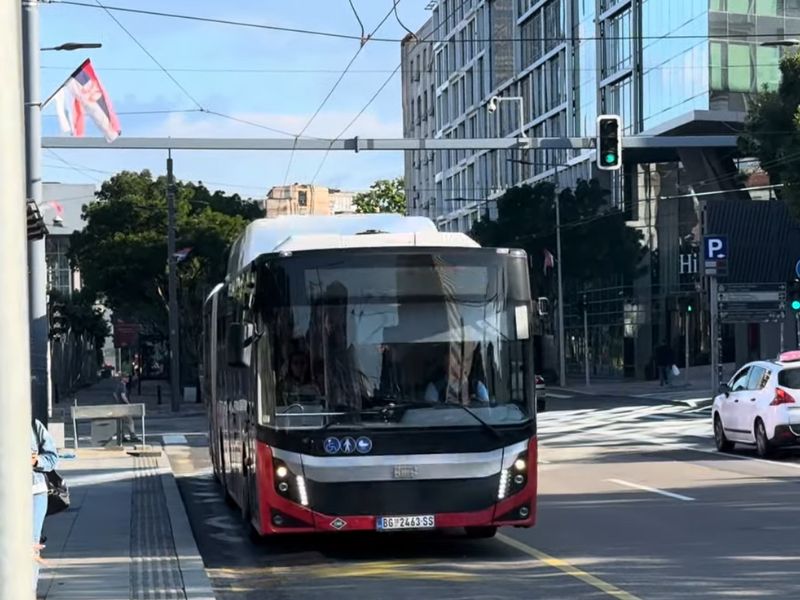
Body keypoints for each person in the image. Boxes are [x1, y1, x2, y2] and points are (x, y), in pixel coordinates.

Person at [32, 418, 58, 593]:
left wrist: (36, 461)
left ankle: (28, 590)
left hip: (34, 492)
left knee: (30, 544)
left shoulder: (33, 425)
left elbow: (52, 458)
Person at [113, 376, 139, 442]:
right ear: (122, 378)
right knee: (130, 421)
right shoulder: (123, 386)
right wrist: (128, 403)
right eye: (126, 377)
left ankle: (122, 436)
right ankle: (132, 436)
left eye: (128, 377)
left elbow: (114, 394)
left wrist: (118, 401)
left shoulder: (118, 385)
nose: (128, 379)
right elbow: (123, 395)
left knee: (122, 422)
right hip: (124, 407)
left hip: (119, 406)